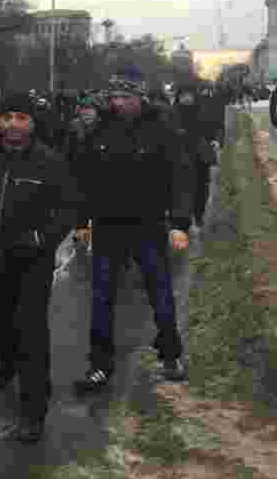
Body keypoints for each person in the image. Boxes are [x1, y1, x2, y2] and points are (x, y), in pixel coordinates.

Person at [0, 92, 81, 443]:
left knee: (31, 333)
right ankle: (7, 363)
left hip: (32, 261)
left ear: (32, 123)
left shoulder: (49, 161)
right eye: (7, 117)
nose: (12, 124)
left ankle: (33, 410)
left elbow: (67, 207)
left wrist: (42, 239)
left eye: (20, 118)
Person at [72, 68, 193, 392]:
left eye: (126, 97)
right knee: (101, 298)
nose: (119, 102)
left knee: (161, 293)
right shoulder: (99, 131)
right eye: (115, 97)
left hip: (148, 225)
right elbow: (84, 180)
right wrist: (82, 221)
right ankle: (99, 363)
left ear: (140, 97)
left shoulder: (162, 130)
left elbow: (181, 177)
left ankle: (170, 354)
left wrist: (180, 223)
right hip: (109, 226)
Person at [173, 86, 221, 228]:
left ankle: (199, 214)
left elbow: (213, 127)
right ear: (178, 97)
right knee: (182, 190)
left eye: (189, 95)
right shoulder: (172, 113)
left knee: (202, 188)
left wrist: (215, 140)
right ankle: (184, 219)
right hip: (180, 156)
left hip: (200, 156)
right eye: (183, 95)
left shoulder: (202, 110)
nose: (187, 98)